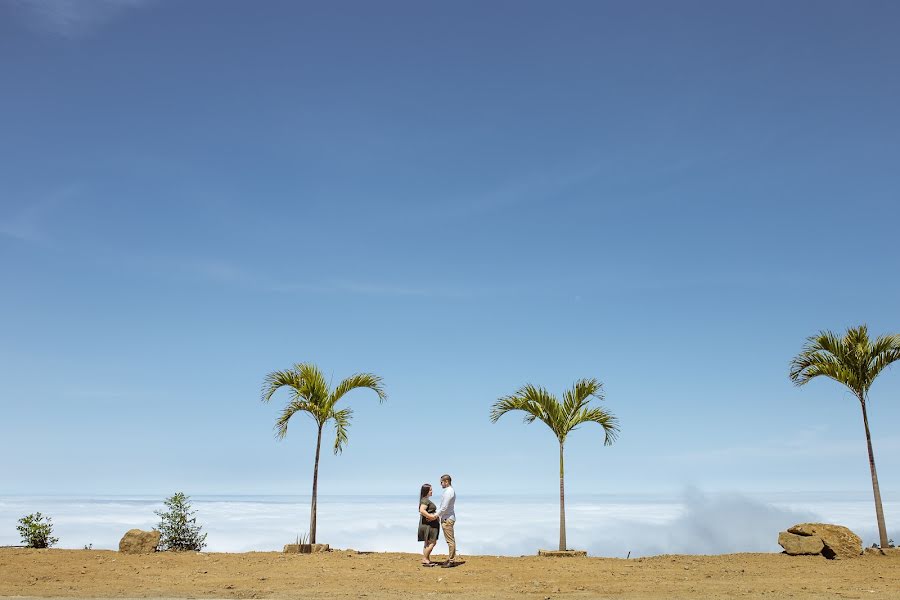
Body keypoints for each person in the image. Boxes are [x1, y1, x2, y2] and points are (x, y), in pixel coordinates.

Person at [435, 473, 458, 567]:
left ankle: (451, 561)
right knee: (450, 540)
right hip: (447, 518)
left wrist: (435, 515)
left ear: (446, 481)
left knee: (450, 541)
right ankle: (450, 559)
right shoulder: (449, 491)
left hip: (447, 519)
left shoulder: (449, 492)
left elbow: (444, 507)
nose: (441, 484)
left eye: (442, 482)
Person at [417, 483, 440, 565]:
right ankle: (425, 558)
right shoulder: (425, 500)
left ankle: (427, 559)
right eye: (430, 490)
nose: (432, 491)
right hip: (429, 525)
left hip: (427, 524)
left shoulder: (424, 499)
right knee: (432, 542)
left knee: (427, 543)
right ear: (426, 491)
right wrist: (431, 517)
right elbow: (422, 510)